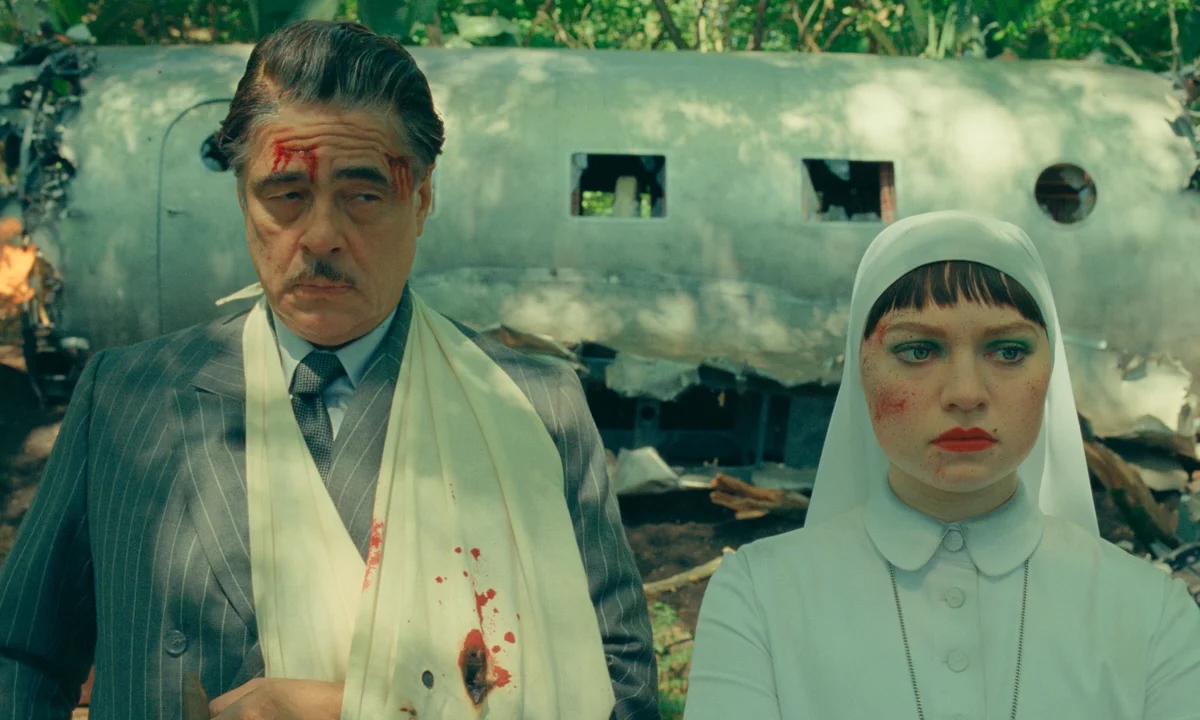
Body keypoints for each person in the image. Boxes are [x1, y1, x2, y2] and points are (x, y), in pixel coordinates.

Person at [0, 20, 659, 720]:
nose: (319, 236)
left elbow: (620, 689)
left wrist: (353, 710)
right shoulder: (128, 399)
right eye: (285, 194)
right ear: (243, 198)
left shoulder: (530, 409)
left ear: (422, 200)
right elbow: (22, 656)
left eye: (362, 195)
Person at [683, 210, 1200, 719]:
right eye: (917, 350)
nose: (966, 393)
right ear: (861, 369)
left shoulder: (1152, 612)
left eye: (1008, 351)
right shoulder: (759, 596)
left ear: (1051, 368)